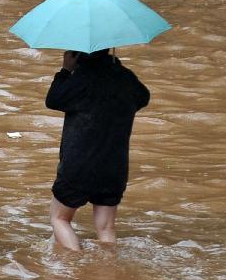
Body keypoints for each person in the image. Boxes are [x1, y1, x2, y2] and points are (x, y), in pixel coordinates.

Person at [45, 48, 150, 251]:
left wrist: (66, 70)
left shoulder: (81, 80)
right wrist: (116, 68)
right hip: (114, 167)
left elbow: (53, 100)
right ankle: (106, 273)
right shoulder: (125, 78)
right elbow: (143, 96)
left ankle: (76, 267)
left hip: (79, 165)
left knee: (60, 219)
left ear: (78, 54)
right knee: (106, 228)